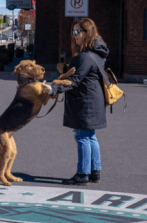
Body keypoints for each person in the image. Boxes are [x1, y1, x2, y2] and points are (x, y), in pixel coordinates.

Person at [43, 18, 109, 185]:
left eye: (77, 31)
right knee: (90, 136)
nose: (74, 36)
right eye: (73, 32)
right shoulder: (97, 53)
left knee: (82, 137)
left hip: (85, 102)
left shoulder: (85, 57)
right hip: (94, 101)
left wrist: (52, 90)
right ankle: (95, 171)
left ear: (87, 32)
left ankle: (83, 174)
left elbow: (74, 81)